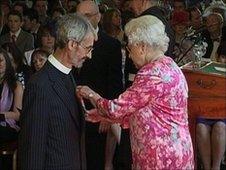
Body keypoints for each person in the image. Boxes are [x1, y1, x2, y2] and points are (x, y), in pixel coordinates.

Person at [77, 15, 194, 170]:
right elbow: (148, 111)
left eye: (130, 49)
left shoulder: (150, 73)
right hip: (178, 150)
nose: (130, 55)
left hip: (159, 155)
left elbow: (115, 109)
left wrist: (90, 94)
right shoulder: (170, 65)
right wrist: (103, 115)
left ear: (142, 47)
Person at [18, 13, 96, 170]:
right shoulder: (40, 84)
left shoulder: (68, 74)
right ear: (72, 44)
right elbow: (32, 147)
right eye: (88, 48)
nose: (89, 55)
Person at [76, 1, 124, 170]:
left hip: (99, 112)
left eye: (87, 16)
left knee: (96, 158)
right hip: (75, 111)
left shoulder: (111, 45)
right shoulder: (71, 41)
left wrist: (108, 114)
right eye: (79, 16)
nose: (82, 20)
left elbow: (115, 82)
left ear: (98, 17)